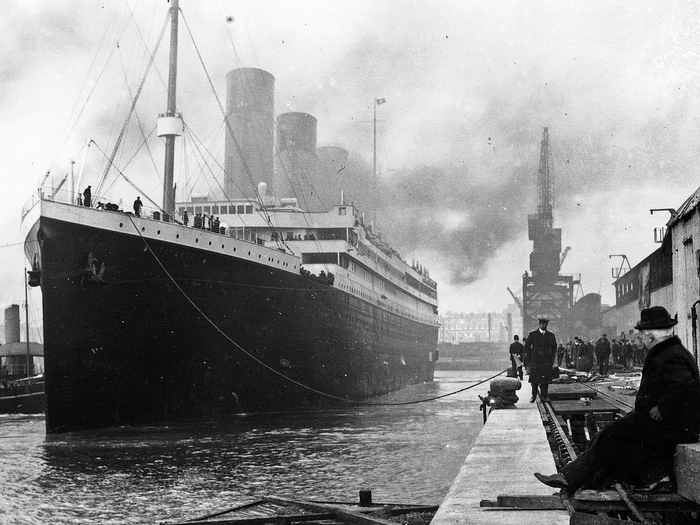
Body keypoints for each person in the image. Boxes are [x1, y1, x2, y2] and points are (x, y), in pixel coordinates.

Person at [534, 306, 700, 492]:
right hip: (666, 422)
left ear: (651, 336)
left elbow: (685, 386)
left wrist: (662, 408)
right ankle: (583, 481)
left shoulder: (670, 355)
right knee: (606, 437)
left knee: (608, 436)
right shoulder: (669, 351)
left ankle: (570, 478)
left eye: (642, 335)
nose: (641, 339)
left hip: (671, 425)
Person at [523, 318, 557, 402]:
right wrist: (530, 357)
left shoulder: (550, 335)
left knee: (545, 381)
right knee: (534, 381)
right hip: (536, 362)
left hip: (546, 362)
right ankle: (533, 396)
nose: (545, 326)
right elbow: (527, 346)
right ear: (539, 324)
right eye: (543, 324)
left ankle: (544, 397)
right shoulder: (533, 335)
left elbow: (554, 347)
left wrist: (551, 358)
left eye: (546, 324)